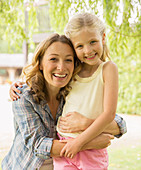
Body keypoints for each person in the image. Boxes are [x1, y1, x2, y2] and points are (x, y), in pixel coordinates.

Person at [2, 33, 126, 170]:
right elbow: (38, 145)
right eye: (53, 59)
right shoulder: (23, 96)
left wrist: (85, 123)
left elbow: (119, 125)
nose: (61, 67)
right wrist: (90, 142)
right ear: (41, 63)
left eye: (68, 60)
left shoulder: (70, 91)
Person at [52, 12, 122, 170]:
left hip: (90, 149)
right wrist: (20, 86)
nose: (88, 50)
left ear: (103, 38)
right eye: (80, 46)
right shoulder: (72, 70)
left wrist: (78, 143)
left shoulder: (108, 69)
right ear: (72, 47)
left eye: (93, 42)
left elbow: (109, 114)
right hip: (64, 144)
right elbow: (46, 76)